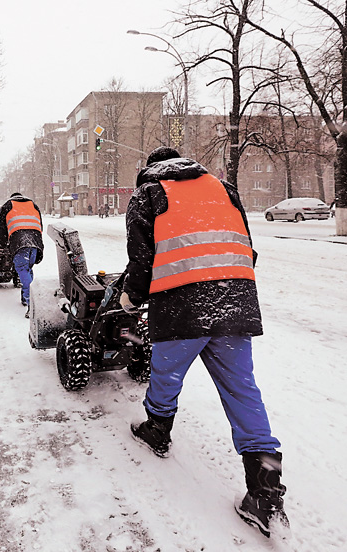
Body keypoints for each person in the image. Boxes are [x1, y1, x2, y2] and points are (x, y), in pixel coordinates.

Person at [120, 146, 288, 538]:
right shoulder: (224, 188)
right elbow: (246, 246)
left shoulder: (148, 194)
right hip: (234, 301)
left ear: (152, 169)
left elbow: (141, 260)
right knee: (243, 390)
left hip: (182, 306)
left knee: (166, 373)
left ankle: (157, 430)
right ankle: (266, 496)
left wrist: (131, 296)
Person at [0, 192, 44, 318]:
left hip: (19, 241)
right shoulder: (32, 204)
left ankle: (32, 305)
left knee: (22, 269)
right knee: (28, 268)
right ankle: (25, 298)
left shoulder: (7, 206)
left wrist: (1, 243)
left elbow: (2, 228)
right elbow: (40, 224)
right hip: (35, 240)